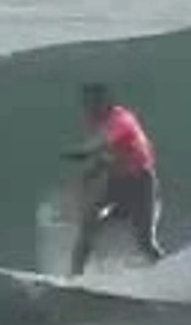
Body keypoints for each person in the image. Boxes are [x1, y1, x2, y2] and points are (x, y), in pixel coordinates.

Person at [62, 83, 164, 276]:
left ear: (104, 102)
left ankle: (168, 274)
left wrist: (84, 151)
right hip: (117, 182)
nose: (88, 108)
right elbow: (109, 155)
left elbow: (102, 142)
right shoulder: (100, 122)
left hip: (141, 182)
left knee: (145, 242)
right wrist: (88, 175)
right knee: (88, 226)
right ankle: (74, 278)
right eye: (86, 103)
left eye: (93, 103)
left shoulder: (121, 119)